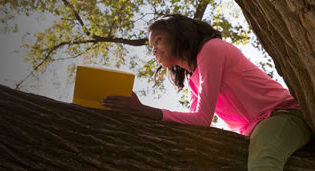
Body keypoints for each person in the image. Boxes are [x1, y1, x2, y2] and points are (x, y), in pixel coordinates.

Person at [101, 14, 315, 170]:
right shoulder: (194, 80)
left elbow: (202, 119)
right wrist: (138, 114)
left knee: (264, 161)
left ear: (179, 34)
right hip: (256, 129)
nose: (154, 50)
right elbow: (195, 123)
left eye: (158, 40)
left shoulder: (211, 49)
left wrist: (144, 111)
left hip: (283, 114)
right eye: (151, 47)